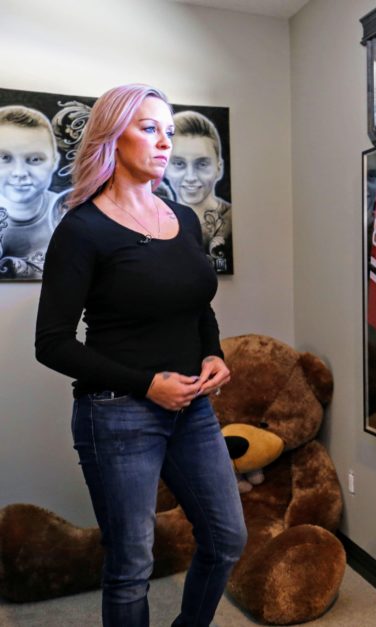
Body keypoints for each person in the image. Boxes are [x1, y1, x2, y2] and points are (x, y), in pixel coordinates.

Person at [34, 84, 246, 627]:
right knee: (131, 564)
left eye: (169, 131)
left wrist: (213, 352)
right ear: (113, 135)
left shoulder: (185, 220)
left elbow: (196, 305)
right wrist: (146, 384)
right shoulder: (82, 229)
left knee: (226, 538)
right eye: (149, 128)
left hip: (192, 409)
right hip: (117, 413)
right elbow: (51, 343)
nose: (163, 143)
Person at [0, 105, 66, 278]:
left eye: (35, 159)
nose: (20, 173)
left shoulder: (69, 216)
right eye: (4, 158)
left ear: (54, 162)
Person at [164, 110, 231, 272]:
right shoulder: (155, 224)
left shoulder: (232, 222)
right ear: (165, 168)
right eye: (179, 164)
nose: (191, 177)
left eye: (202, 164)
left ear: (219, 168)